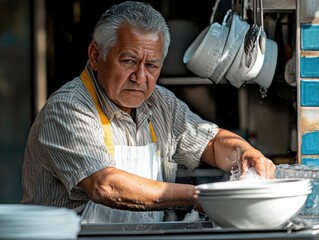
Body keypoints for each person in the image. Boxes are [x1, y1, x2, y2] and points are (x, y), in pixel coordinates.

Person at [21, 1, 276, 223]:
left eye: (152, 65)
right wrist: (198, 197)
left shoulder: (160, 103)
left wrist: (245, 152)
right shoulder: (69, 108)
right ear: (96, 56)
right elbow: (105, 185)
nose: (140, 77)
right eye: (129, 61)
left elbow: (210, 142)